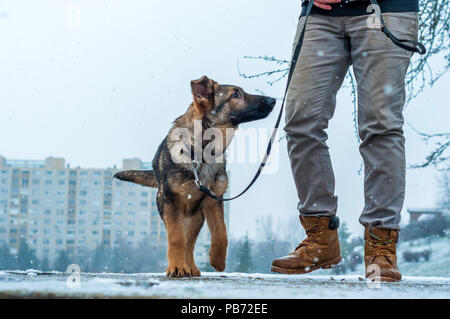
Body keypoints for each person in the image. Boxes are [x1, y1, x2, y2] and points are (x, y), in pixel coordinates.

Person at [271, 0, 420, 282]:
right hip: (319, 16)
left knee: (381, 125)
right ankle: (320, 237)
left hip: (386, 10)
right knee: (301, 119)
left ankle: (381, 245)